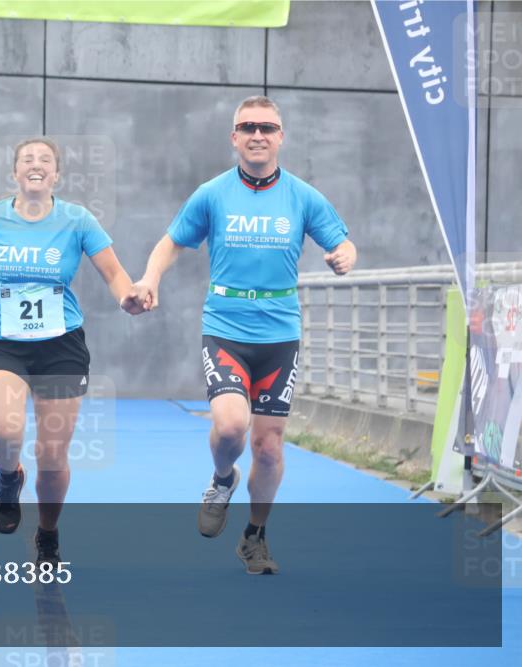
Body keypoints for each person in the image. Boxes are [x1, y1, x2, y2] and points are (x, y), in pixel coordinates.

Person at [127, 96, 357, 575]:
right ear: (234, 137)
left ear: (280, 137)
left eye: (267, 128)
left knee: (269, 447)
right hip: (226, 328)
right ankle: (221, 477)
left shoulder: (302, 196)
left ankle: (254, 536)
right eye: (247, 127)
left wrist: (344, 256)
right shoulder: (212, 194)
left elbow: (342, 242)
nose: (257, 135)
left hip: (279, 334)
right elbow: (170, 242)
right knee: (232, 426)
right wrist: (150, 279)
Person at [0, 137, 143, 565]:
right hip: (2, 342)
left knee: (53, 456)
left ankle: (48, 533)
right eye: (27, 159)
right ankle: (8, 476)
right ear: (15, 172)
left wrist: (127, 297)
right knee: (3, 431)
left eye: (44, 160)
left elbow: (112, 271)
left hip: (61, 346)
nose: (35, 165)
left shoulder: (78, 220)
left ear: (56, 174)